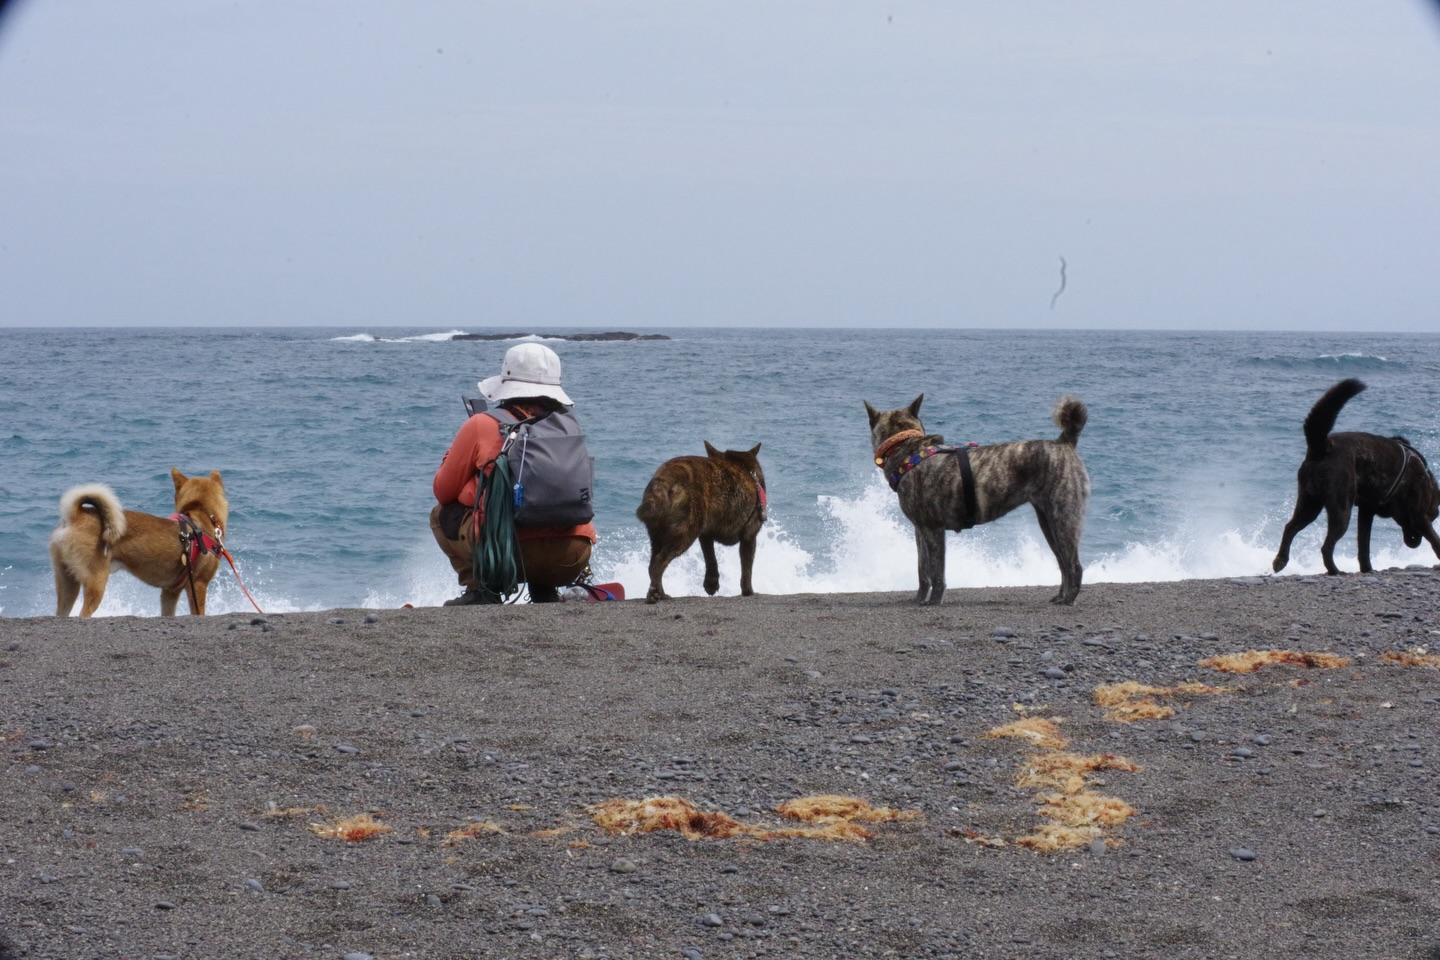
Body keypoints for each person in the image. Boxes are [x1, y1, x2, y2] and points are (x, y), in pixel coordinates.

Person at [431, 343, 597, 605]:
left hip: (507, 556)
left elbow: (443, 491)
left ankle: (480, 591)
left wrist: (455, 460)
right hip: (572, 555)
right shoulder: (570, 426)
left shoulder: (482, 424)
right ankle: (545, 591)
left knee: (440, 515)